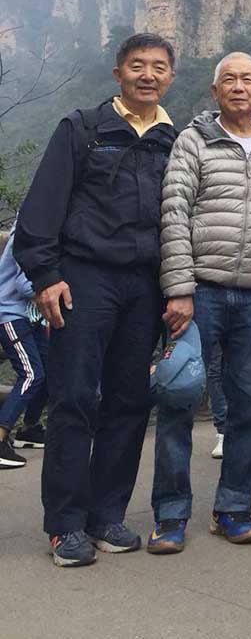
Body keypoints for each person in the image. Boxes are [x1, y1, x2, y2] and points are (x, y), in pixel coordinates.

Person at [14, 32, 177, 566]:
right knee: (75, 399)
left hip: (144, 285)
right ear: (118, 74)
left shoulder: (175, 141)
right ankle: (65, 524)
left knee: (130, 402)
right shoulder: (82, 127)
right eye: (137, 66)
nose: (147, 75)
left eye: (157, 67)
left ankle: (107, 514)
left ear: (170, 77)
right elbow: (41, 209)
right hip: (84, 279)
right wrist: (46, 275)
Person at [148, 52, 251, 554]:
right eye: (229, 79)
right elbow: (174, 211)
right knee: (179, 399)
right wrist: (179, 287)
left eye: (248, 78)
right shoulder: (193, 140)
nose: (239, 86)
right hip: (199, 291)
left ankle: (233, 509)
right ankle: (170, 515)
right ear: (214, 91)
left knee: (248, 409)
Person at [0, 228, 49, 468]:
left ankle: (29, 429)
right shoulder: (29, 229)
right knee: (31, 374)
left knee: (50, 371)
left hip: (30, 317)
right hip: (10, 314)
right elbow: (23, 284)